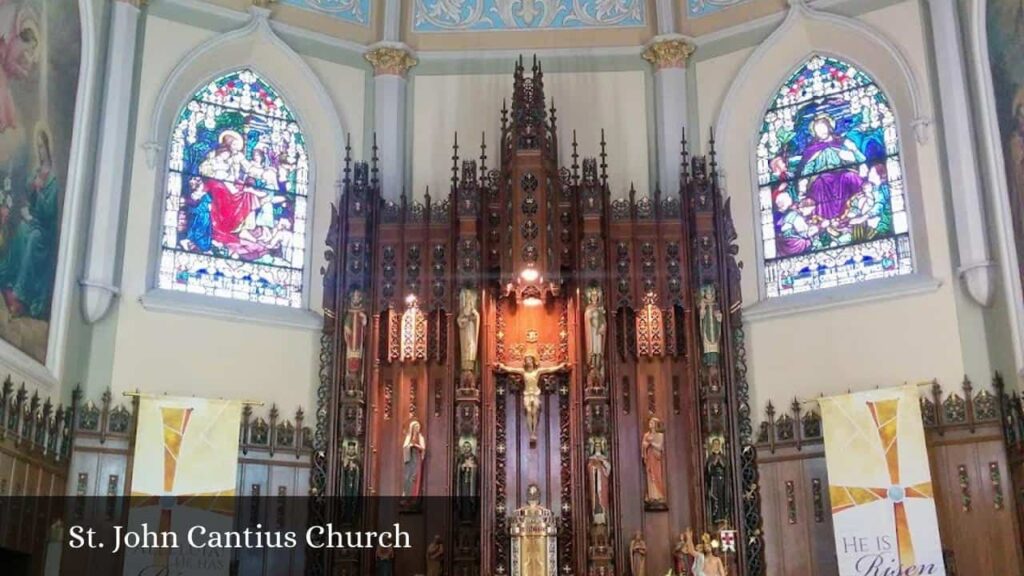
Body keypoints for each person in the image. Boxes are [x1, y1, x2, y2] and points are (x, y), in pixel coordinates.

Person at [0, 128, 58, 320]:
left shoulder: (54, 180)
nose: (41, 151)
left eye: (43, 147)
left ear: (48, 149)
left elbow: (50, 211)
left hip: (44, 229)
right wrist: (31, 191)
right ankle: (9, 281)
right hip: (33, 221)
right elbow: (26, 195)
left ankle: (21, 295)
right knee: (21, 231)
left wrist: (40, 193)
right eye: (38, 147)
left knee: (33, 238)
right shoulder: (37, 172)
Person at [495, 356, 569, 444]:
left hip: (535, 393)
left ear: (533, 362)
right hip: (527, 394)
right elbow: (511, 370)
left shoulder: (537, 372)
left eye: (530, 360)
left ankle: (534, 432)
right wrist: (502, 367)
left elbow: (549, 369)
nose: (528, 362)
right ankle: (531, 433)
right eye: (527, 360)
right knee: (529, 411)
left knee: (534, 411)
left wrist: (560, 366)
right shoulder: (523, 372)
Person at [641, 416, 666, 505]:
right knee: (650, 476)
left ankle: (658, 495)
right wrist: (645, 449)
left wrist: (651, 443)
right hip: (649, 458)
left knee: (657, 475)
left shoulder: (660, 435)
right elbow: (643, 446)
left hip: (656, 458)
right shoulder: (646, 435)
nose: (650, 424)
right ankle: (651, 495)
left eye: (652, 423)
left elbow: (660, 447)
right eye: (649, 423)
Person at [402, 419, 426, 500]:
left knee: (415, 476)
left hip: (417, 458)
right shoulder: (408, 437)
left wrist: (415, 445)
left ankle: (415, 496)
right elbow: (405, 447)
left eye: (418, 427)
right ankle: (407, 495)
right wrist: (410, 445)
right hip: (410, 459)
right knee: (408, 477)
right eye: (415, 427)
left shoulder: (420, 437)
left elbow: (423, 448)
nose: (417, 429)